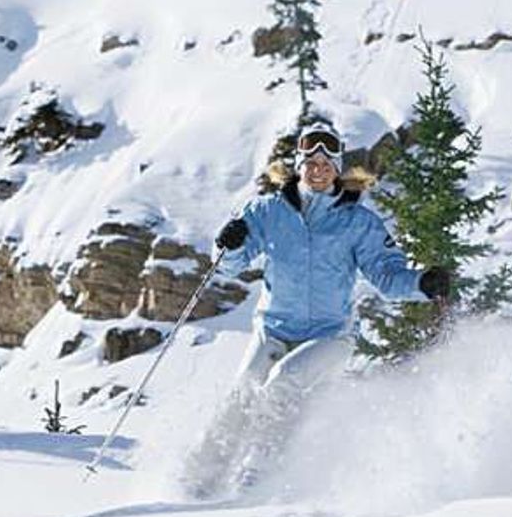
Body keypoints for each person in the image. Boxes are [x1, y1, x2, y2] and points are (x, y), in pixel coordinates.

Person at [182, 124, 450, 498]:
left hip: (330, 334)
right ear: (299, 165)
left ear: (338, 169)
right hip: (274, 328)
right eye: (311, 162)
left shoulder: (357, 222)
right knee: (245, 389)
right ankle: (198, 479)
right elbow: (228, 265)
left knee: (283, 380)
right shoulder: (267, 211)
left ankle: (254, 479)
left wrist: (421, 283)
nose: (318, 170)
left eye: (327, 164)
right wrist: (229, 243)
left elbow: (387, 276)